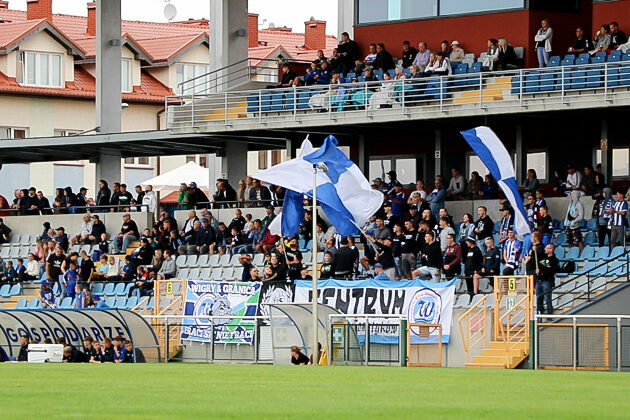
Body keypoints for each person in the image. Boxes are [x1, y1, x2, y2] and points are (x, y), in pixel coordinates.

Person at [537, 244, 561, 315]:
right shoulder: (542, 258)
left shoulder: (554, 260)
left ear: (551, 250)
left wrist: (541, 270)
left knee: (548, 299)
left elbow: (551, 270)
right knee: (539, 299)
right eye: (546, 248)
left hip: (547, 281)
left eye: (548, 248)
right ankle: (539, 315)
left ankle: (549, 314)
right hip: (539, 280)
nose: (546, 249)